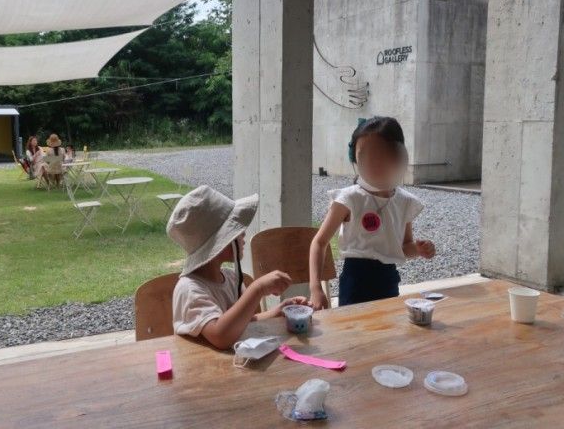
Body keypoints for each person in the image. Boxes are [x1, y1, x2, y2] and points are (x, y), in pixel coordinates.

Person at [308, 116, 436, 308]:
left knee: (385, 333)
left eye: (379, 155)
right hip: (355, 281)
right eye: (365, 157)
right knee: (354, 333)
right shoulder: (349, 198)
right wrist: (315, 288)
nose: (372, 163)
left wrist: (418, 249)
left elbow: (404, 246)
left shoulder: (404, 202)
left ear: (398, 156)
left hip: (388, 280)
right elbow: (319, 242)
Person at [169, 185, 309, 350]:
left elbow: (244, 323)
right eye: (235, 229)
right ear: (220, 242)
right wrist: (257, 289)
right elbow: (220, 336)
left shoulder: (230, 278)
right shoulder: (189, 290)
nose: (243, 234)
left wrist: (280, 310)